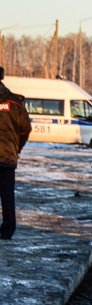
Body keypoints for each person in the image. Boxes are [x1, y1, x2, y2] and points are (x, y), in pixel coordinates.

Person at [0, 66, 32, 241]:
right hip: (7, 156)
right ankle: (7, 230)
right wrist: (16, 148)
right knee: (7, 194)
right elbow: (25, 129)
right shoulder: (15, 103)